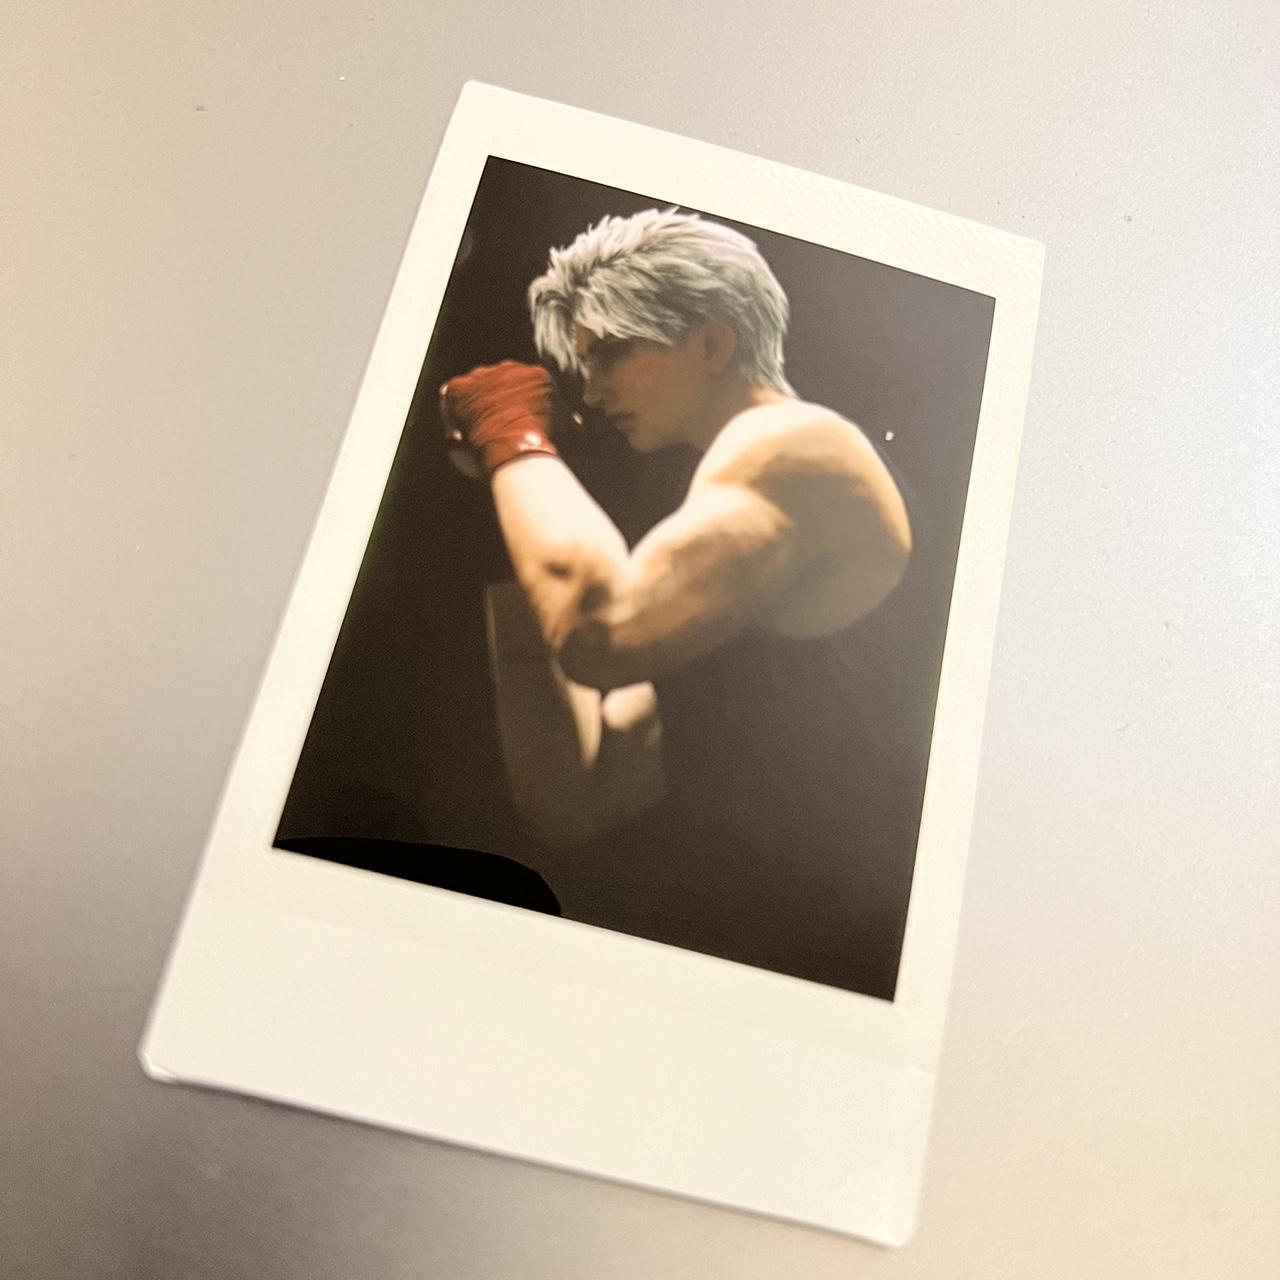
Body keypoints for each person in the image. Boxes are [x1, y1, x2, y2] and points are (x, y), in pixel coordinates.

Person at [441, 209, 914, 991]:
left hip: (813, 961)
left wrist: (510, 433)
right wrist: (517, 510)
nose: (591, 390)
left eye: (612, 354)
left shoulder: (796, 448)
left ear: (712, 344)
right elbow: (574, 801)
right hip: (731, 949)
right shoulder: (727, 537)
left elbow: (600, 635)